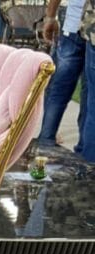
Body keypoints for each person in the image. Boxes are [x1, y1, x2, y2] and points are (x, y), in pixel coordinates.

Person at [38, 0, 95, 162]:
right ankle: (83, 154)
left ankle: (45, 142)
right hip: (87, 27)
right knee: (89, 97)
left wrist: (50, 17)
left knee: (59, 91)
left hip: (75, 25)